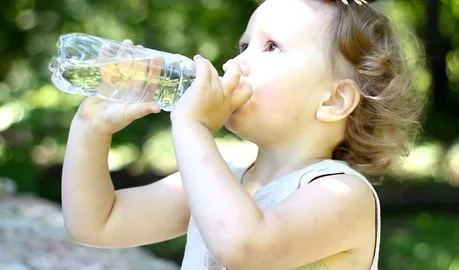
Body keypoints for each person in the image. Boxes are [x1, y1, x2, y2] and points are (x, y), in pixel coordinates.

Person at [61, 0, 424, 269]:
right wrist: (90, 129)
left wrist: (191, 127)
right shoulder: (224, 178)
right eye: (243, 46)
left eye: (271, 47)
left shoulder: (344, 195)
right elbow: (97, 223)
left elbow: (244, 247)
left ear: (333, 100)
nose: (235, 64)